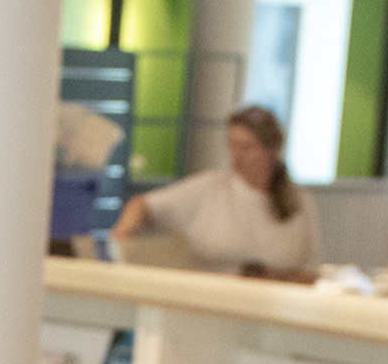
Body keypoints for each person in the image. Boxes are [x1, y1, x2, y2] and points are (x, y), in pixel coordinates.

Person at [112, 104, 321, 280]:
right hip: (206, 305)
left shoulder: (298, 201)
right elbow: (143, 205)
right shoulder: (209, 187)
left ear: (272, 151)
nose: (237, 156)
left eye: (247, 148)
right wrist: (123, 236)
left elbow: (309, 273)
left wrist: (269, 277)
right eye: (232, 146)